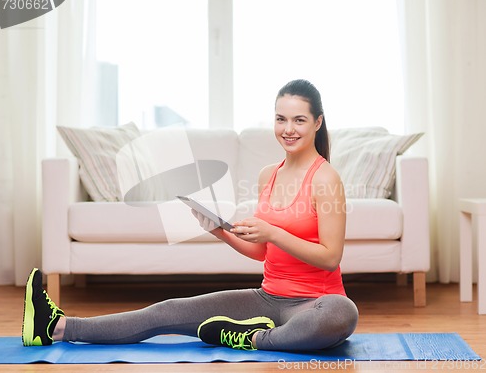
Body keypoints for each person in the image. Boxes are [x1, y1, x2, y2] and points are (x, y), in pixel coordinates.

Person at [22, 79, 358, 351]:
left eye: (299, 120)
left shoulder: (325, 178)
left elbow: (330, 257)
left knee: (343, 313)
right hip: (267, 299)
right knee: (167, 310)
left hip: (317, 303)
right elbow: (261, 253)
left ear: (317, 122)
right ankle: (56, 326)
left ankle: (250, 338)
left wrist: (271, 232)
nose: (288, 129)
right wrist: (219, 231)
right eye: (280, 118)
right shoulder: (268, 175)